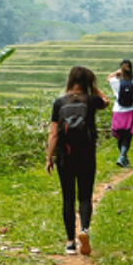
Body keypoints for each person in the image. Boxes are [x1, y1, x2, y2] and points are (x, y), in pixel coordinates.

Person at [45, 65, 109, 255]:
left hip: (65, 155)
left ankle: (70, 243)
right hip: (86, 154)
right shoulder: (91, 101)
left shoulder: (59, 102)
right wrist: (94, 86)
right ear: (87, 82)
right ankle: (84, 230)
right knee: (84, 195)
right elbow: (106, 101)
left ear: (70, 80)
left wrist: (50, 157)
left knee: (68, 198)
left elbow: (54, 134)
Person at [106, 59, 133, 167]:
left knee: (120, 135)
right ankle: (122, 156)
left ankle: (123, 156)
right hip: (132, 111)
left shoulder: (114, 81)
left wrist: (116, 73)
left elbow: (108, 78)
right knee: (127, 135)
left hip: (118, 111)